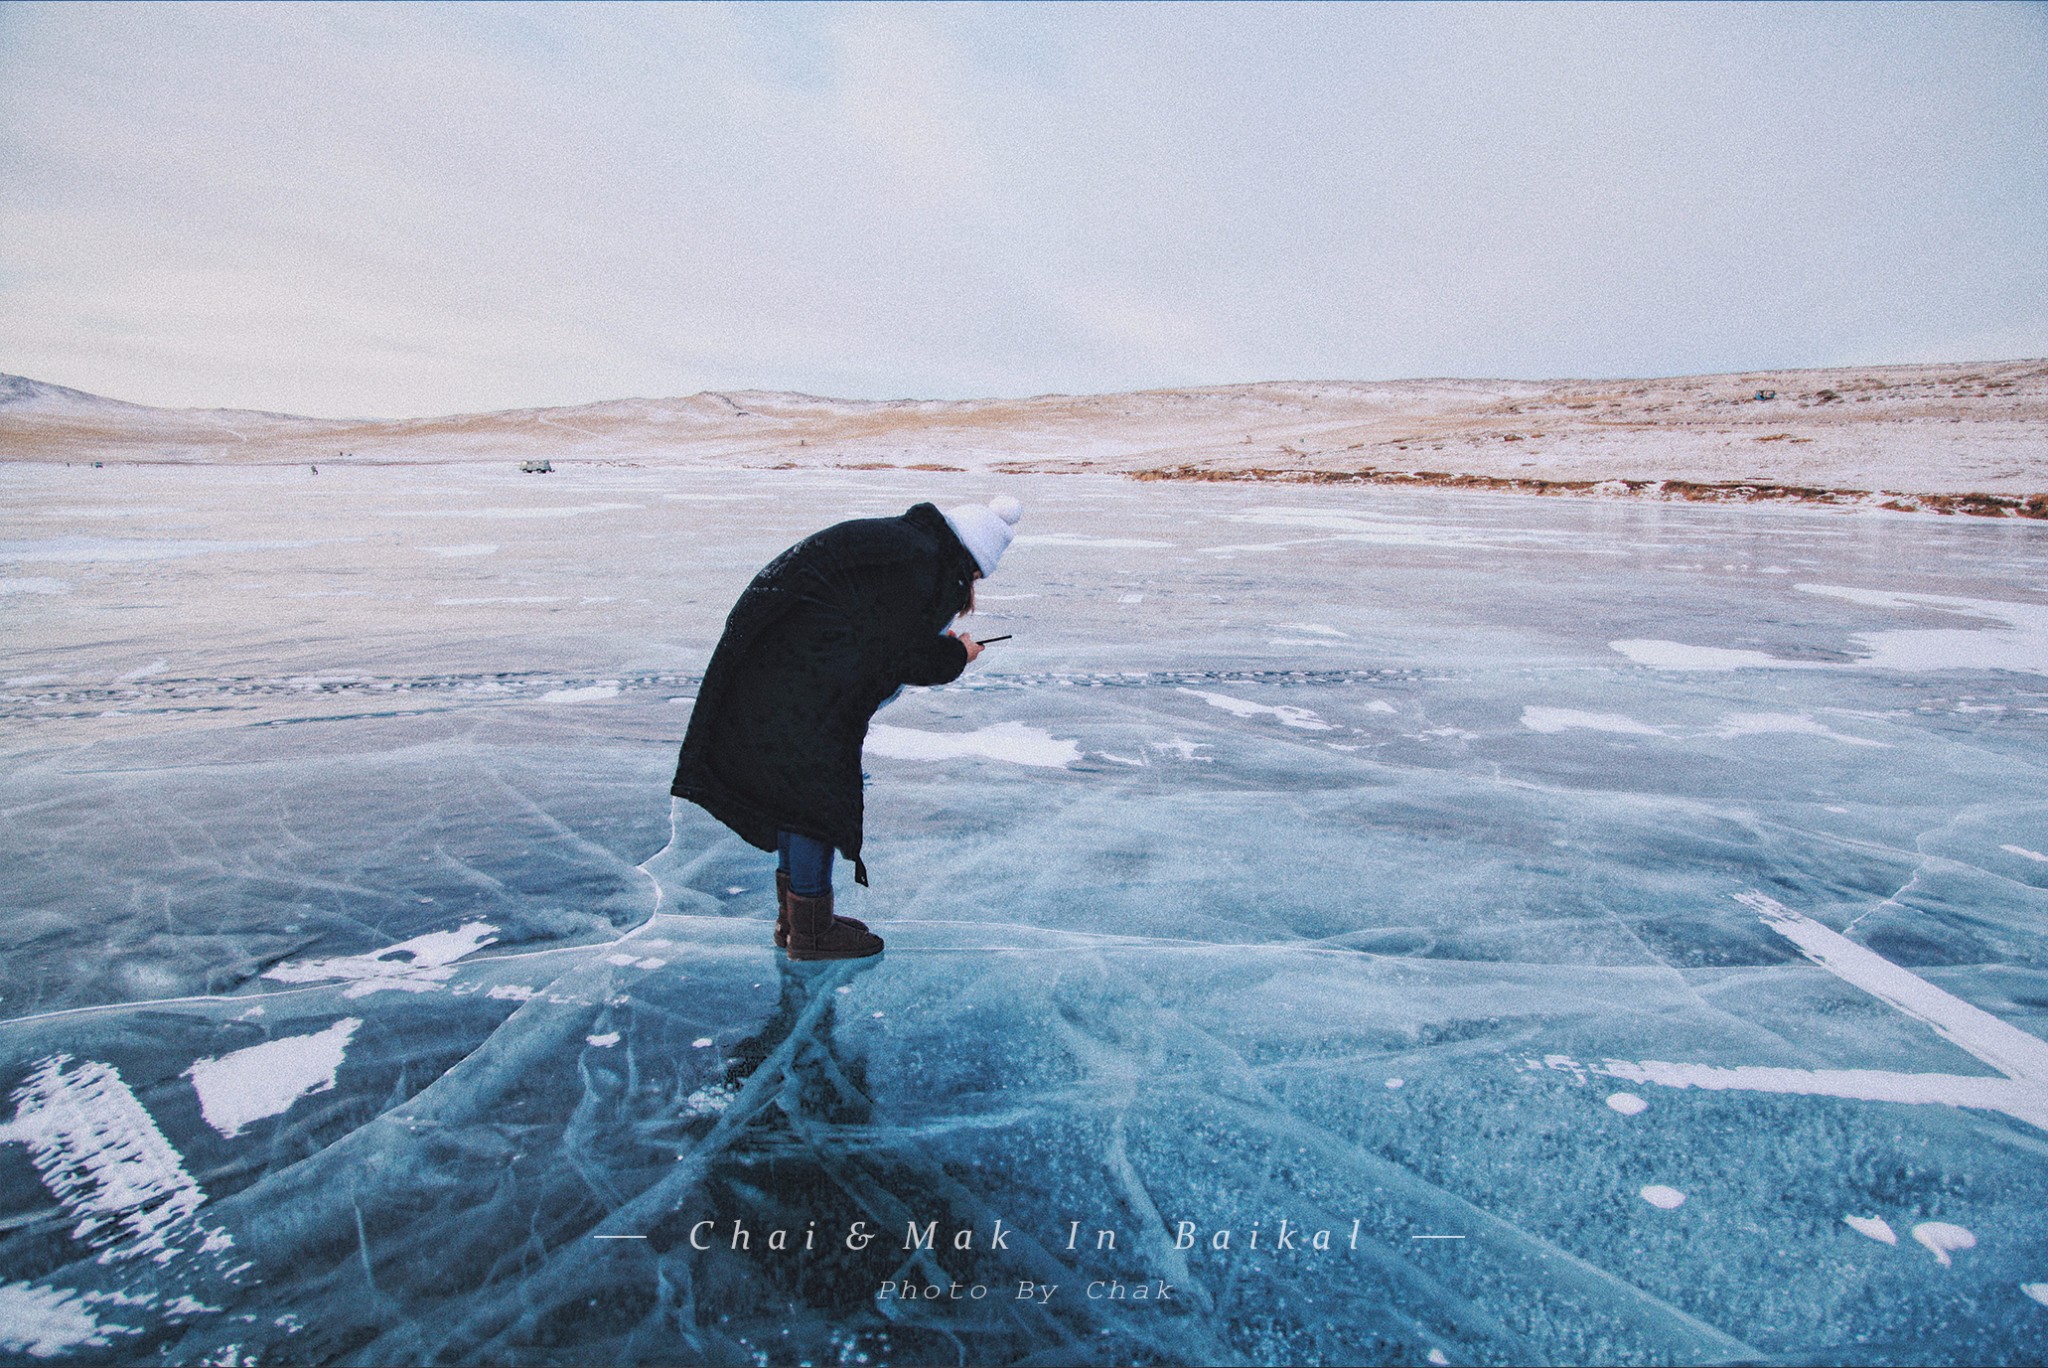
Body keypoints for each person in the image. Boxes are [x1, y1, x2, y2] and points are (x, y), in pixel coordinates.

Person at [671, 496, 1022, 960]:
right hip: (797, 672)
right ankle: (812, 932)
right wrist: (958, 655)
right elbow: (901, 654)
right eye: (973, 579)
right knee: (814, 795)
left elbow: (880, 630)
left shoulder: (907, 543)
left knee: (797, 790)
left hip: (777, 660)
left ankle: (797, 921)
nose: (967, 590)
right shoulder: (922, 563)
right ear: (970, 561)